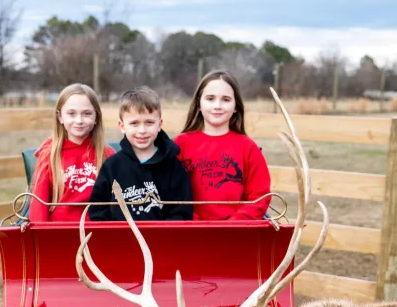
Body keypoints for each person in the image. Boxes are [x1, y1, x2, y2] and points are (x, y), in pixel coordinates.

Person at [174, 70, 271, 221]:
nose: (217, 106)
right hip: (190, 232)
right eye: (210, 98)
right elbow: (170, 192)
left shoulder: (248, 147)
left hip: (235, 235)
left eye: (226, 99)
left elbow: (260, 197)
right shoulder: (181, 145)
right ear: (199, 103)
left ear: (236, 106)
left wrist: (232, 225)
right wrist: (194, 223)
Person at [90, 86, 192, 221]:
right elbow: (98, 210)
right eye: (134, 123)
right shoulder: (112, 166)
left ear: (159, 124)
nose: (142, 130)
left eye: (149, 122)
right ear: (122, 126)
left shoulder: (173, 167)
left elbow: (182, 211)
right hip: (120, 240)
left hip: (162, 240)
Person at [29, 83, 114, 221]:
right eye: (71, 113)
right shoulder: (49, 155)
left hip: (98, 232)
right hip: (60, 233)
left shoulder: (108, 155)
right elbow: (39, 206)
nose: (79, 120)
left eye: (87, 113)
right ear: (60, 117)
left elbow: (118, 204)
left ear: (96, 117)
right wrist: (40, 236)